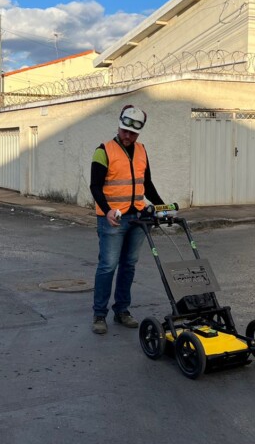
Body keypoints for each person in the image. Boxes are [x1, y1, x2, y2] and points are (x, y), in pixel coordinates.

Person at [89, 104, 165, 335]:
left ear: (138, 133)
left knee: (129, 266)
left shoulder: (142, 150)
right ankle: (99, 314)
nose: (128, 136)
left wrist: (162, 206)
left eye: (132, 133)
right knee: (107, 266)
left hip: (137, 218)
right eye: (124, 131)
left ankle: (122, 310)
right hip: (113, 219)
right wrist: (107, 210)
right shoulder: (103, 150)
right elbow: (95, 186)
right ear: (119, 126)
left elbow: (147, 184)